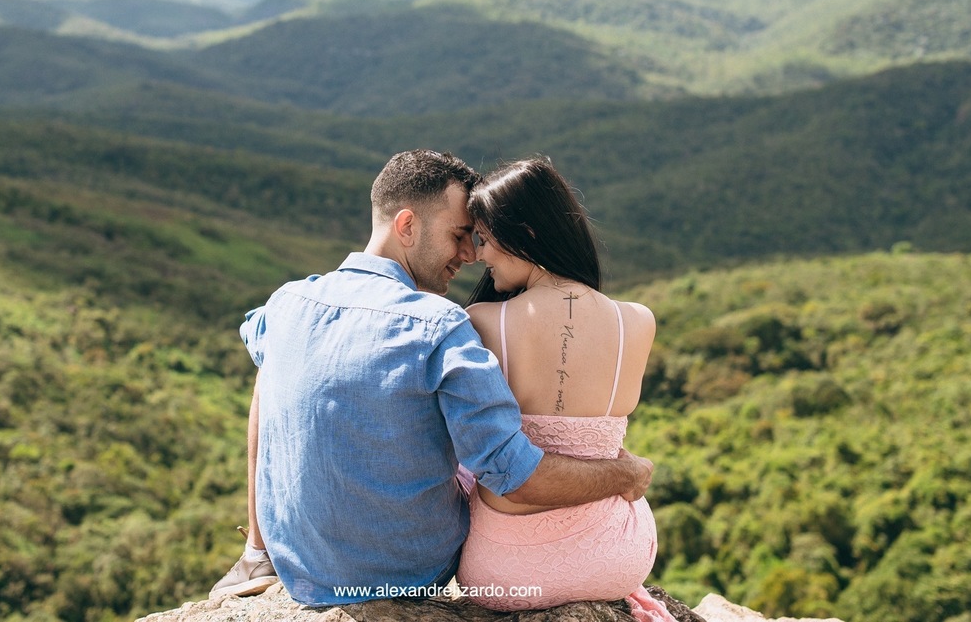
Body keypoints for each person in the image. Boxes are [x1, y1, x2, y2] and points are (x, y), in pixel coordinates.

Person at [209, 149, 655, 607]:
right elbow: (511, 472)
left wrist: (261, 547)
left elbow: (260, 355)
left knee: (272, 362)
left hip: (299, 563)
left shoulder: (286, 304)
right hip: (412, 571)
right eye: (460, 234)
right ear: (407, 226)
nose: (469, 253)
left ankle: (255, 552)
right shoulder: (439, 325)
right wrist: (624, 472)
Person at [455, 156, 675, 621]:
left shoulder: (482, 323)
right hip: (617, 556)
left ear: (527, 235)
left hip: (505, 570)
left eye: (487, 240)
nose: (480, 255)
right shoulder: (638, 321)